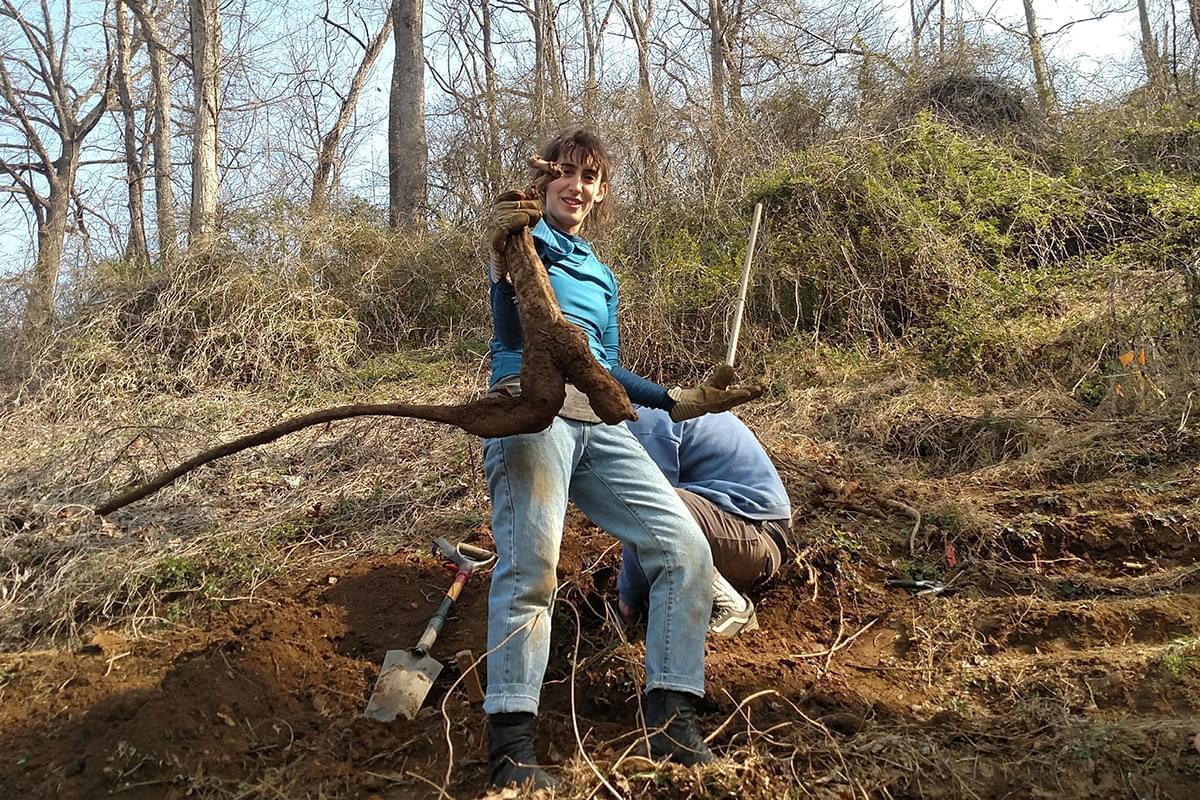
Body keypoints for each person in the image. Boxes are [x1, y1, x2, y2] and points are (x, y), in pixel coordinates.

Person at [481, 126, 763, 791]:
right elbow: (508, 322)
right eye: (567, 173)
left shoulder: (602, 274)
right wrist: (502, 247)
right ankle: (513, 746)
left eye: (591, 178)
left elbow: (606, 368)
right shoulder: (521, 238)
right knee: (530, 570)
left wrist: (680, 398)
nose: (578, 186)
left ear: (601, 193)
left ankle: (670, 722)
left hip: (597, 425)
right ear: (547, 180)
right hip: (532, 410)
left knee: (686, 551)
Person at [616, 407, 793, 638]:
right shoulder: (660, 411)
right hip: (747, 536)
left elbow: (647, 507)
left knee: (646, 501)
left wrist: (628, 599)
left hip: (752, 538)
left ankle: (729, 604)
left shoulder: (644, 424)